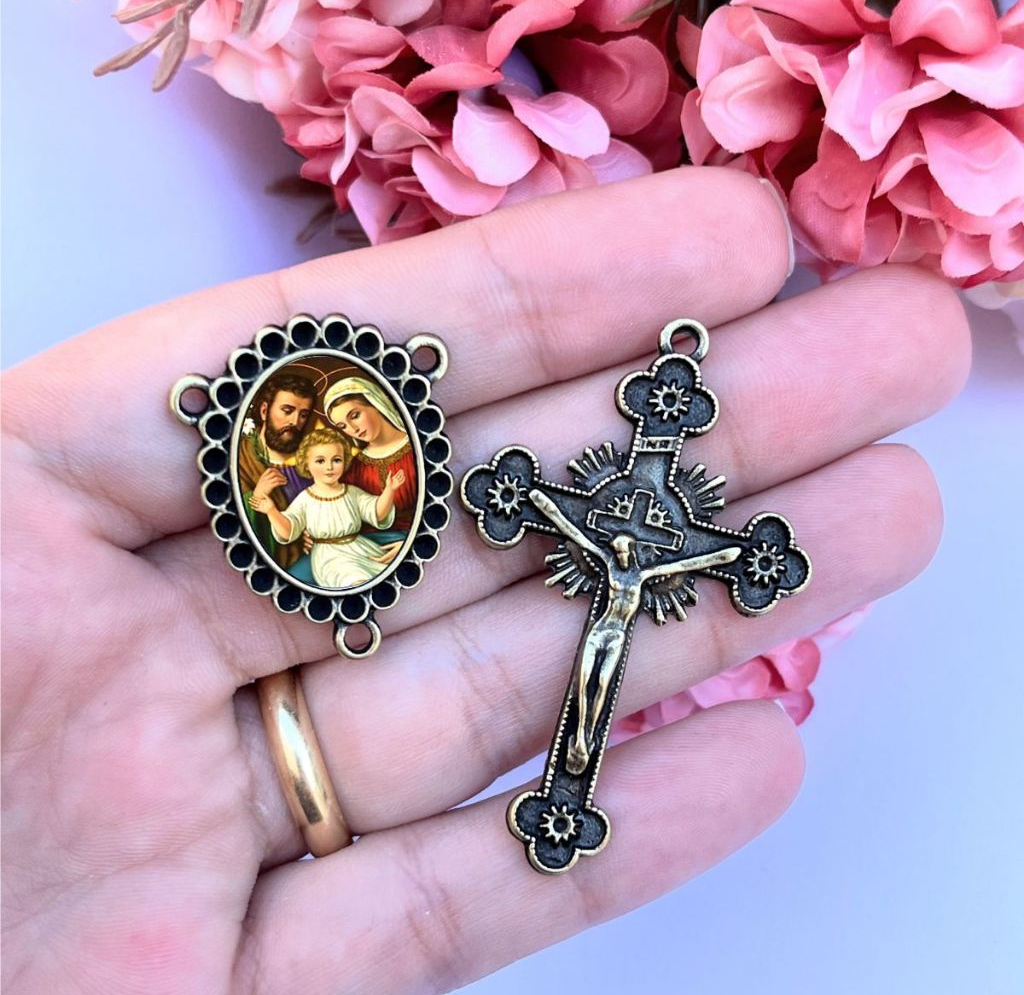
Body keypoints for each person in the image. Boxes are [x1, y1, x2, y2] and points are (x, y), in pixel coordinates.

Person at [2, 169, 967, 994]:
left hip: (619, 605)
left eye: (342, 445)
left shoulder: (666, 546)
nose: (333, 456)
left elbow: (706, 549)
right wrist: (528, 498)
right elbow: (521, 498)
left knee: (599, 672)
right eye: (325, 447)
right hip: (527, 578)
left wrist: (729, 554)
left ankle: (565, 802)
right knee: (592, 668)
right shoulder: (534, 512)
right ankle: (563, 802)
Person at [250, 427, 404, 589]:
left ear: (345, 461)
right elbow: (288, 531)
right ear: (306, 464)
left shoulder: (352, 493)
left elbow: (377, 513)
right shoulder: (305, 499)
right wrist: (272, 511)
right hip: (330, 558)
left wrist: (389, 490)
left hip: (359, 548)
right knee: (354, 578)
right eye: (320, 461)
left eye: (336, 460)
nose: (329, 467)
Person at [238, 373, 317, 571]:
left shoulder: (314, 460)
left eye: (303, 415)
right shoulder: (242, 458)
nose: (295, 421)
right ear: (264, 411)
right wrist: (257, 497)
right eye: (287, 411)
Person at [324, 377, 417, 542]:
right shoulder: (355, 467)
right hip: (366, 544)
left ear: (376, 403)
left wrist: (409, 541)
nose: (353, 429)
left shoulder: (415, 448)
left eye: (355, 416)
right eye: (343, 426)